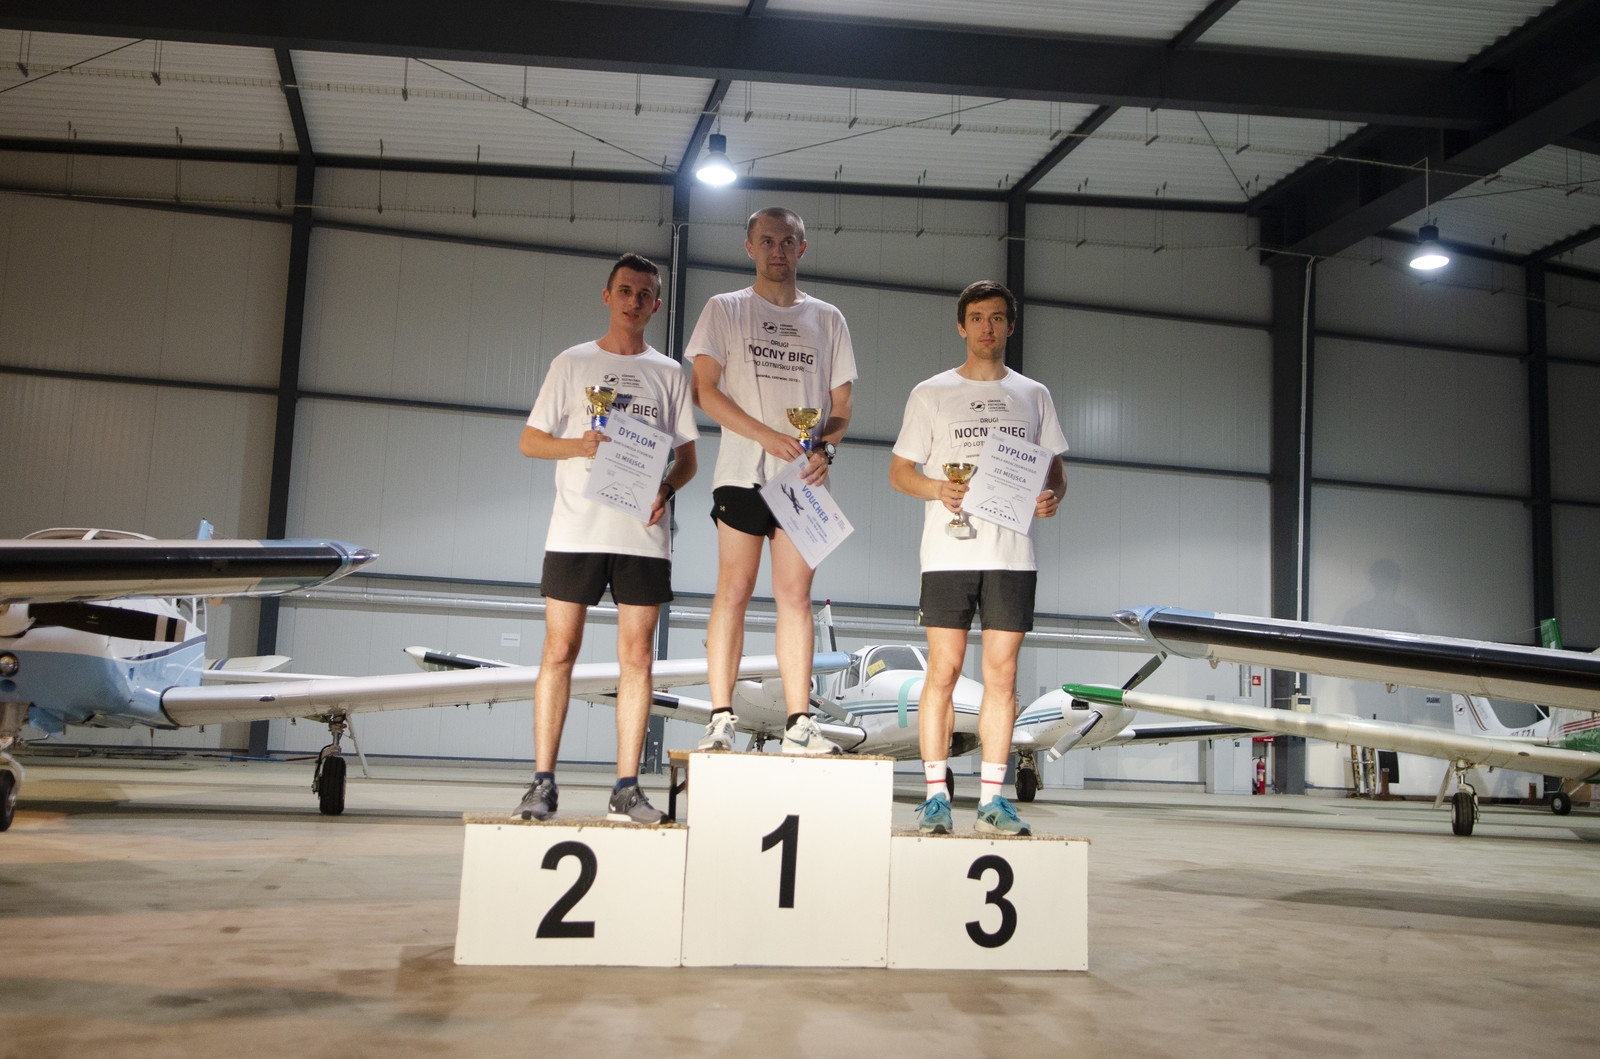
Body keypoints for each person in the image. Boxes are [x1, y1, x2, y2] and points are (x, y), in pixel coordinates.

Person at [512, 252, 698, 824]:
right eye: (625, 291)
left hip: (642, 536)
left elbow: (688, 459)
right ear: (607, 296)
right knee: (558, 651)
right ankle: (542, 783)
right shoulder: (572, 363)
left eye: (644, 294)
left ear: (656, 304)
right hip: (576, 531)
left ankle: (626, 788)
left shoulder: (669, 373)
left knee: (637, 657)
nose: (634, 301)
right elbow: (531, 441)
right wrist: (579, 446)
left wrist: (666, 488)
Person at [888, 280, 1067, 836]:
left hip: (1012, 557)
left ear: (1010, 326)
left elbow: (1055, 471)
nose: (987, 327)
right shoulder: (931, 393)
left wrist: (1051, 497)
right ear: (961, 326)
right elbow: (900, 472)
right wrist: (938, 489)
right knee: (942, 672)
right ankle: (935, 797)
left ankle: (992, 799)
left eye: (996, 317)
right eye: (977, 318)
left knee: (1002, 676)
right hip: (948, 553)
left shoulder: (1034, 394)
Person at [685, 207, 856, 755]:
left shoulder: (828, 318)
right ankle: (720, 718)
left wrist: (826, 448)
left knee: (795, 597)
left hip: (802, 480)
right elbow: (704, 390)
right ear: (749, 247)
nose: (776, 250)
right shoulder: (725, 308)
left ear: (801, 248)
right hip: (741, 473)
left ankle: (799, 723)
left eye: (787, 241)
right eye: (766, 241)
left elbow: (842, 406)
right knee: (733, 590)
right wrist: (764, 435)